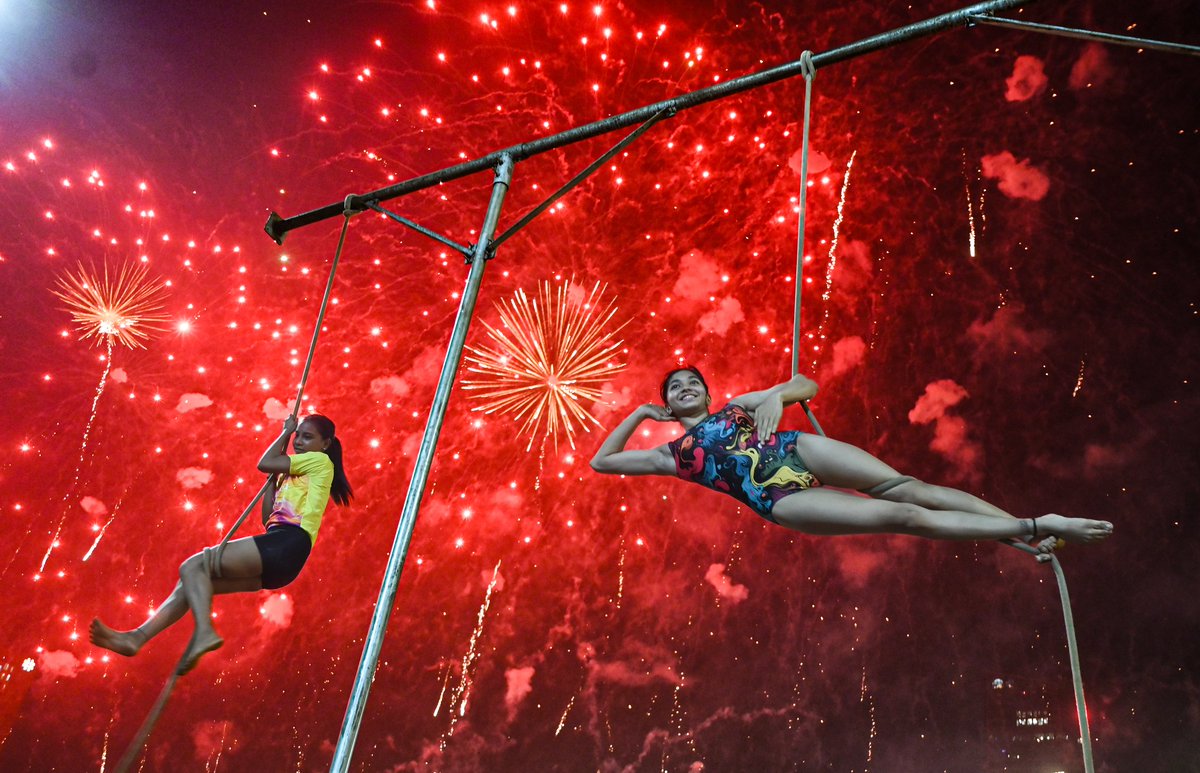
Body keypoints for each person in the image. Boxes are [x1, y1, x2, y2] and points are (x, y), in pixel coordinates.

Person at [591, 367, 1113, 551]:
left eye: (693, 382)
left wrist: (776, 396)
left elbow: (807, 384)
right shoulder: (670, 456)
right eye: (674, 387)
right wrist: (639, 412)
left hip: (794, 448)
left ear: (707, 393)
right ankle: (1037, 524)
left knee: (908, 487)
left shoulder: (738, 405)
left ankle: (1022, 532)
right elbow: (602, 462)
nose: (685, 387)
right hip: (779, 497)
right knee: (904, 516)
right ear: (668, 404)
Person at [90, 414, 352, 674]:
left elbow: (264, 463)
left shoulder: (319, 461)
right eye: (297, 436)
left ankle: (204, 632)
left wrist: (285, 432)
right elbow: (268, 520)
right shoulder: (295, 472)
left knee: (192, 567)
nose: (298, 442)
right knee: (193, 584)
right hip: (284, 555)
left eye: (307, 437)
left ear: (326, 444)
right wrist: (273, 480)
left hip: (288, 542)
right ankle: (136, 637)